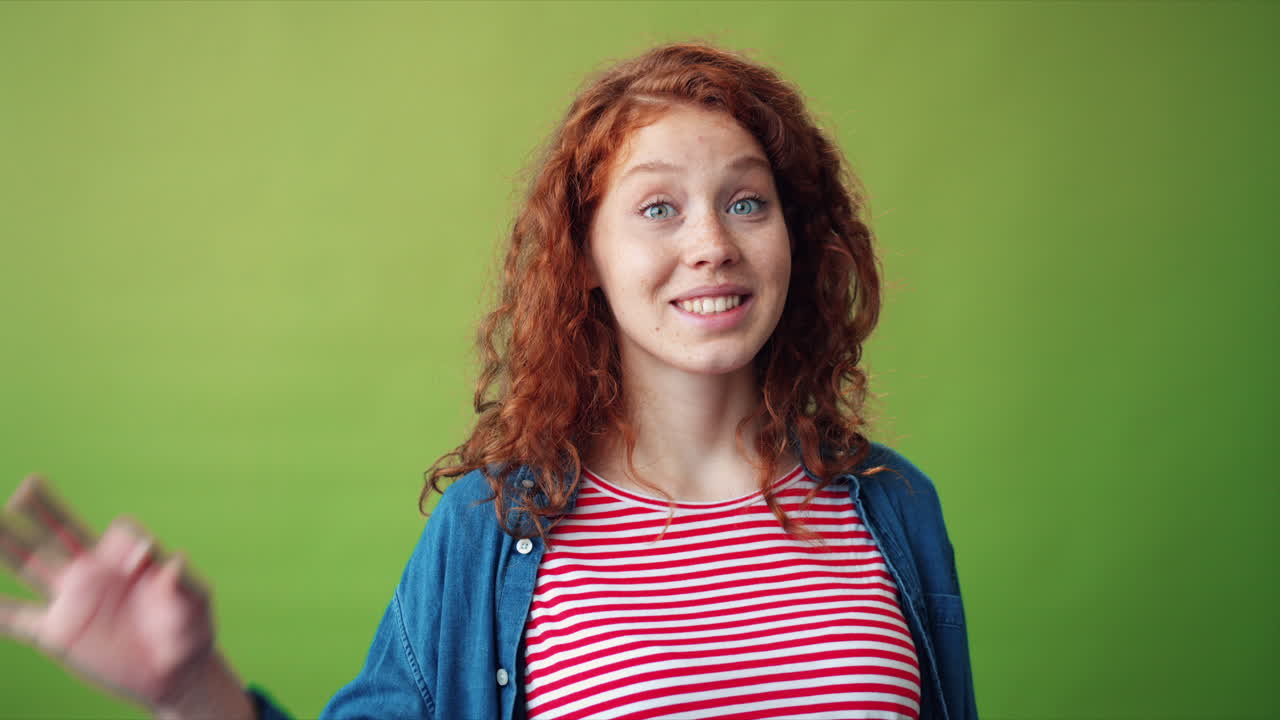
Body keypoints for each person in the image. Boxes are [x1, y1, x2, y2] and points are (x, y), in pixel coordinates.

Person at [0, 42, 977, 720]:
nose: (711, 245)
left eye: (745, 202)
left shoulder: (890, 510)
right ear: (583, 256)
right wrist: (187, 687)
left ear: (790, 237)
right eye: (657, 209)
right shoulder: (494, 528)